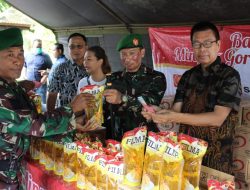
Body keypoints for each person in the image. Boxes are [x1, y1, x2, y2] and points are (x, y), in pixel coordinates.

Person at [142, 21, 242, 174]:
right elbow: (176, 111)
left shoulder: (229, 76)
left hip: (216, 157)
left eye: (207, 43)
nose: (202, 49)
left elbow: (217, 118)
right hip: (186, 153)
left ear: (218, 45)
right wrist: (158, 111)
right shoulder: (188, 76)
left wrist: (175, 116)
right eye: (197, 44)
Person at [0, 28, 94, 189]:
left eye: (20, 54)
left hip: (16, 167)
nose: (18, 61)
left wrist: (70, 125)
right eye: (10, 55)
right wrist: (71, 109)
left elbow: (32, 129)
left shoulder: (13, 87)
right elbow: (34, 125)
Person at [103, 33, 166, 141]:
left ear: (142, 53)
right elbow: (105, 109)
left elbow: (148, 106)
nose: (127, 58)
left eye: (132, 53)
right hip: (118, 141)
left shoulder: (156, 77)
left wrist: (122, 98)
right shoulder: (113, 78)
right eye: (123, 54)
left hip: (145, 141)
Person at [47, 33, 88, 111]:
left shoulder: (93, 67)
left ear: (86, 47)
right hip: (66, 118)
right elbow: (52, 95)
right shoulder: (60, 68)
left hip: (91, 118)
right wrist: (51, 117)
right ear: (68, 48)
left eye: (79, 46)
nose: (75, 50)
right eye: (72, 47)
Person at [24, 39, 53, 105]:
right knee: (30, 104)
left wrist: (45, 77)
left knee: (40, 105)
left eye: (40, 46)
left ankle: (41, 115)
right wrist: (25, 76)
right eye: (37, 46)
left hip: (41, 85)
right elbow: (25, 66)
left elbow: (51, 69)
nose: (38, 48)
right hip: (29, 85)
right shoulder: (28, 55)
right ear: (32, 46)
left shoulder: (46, 56)